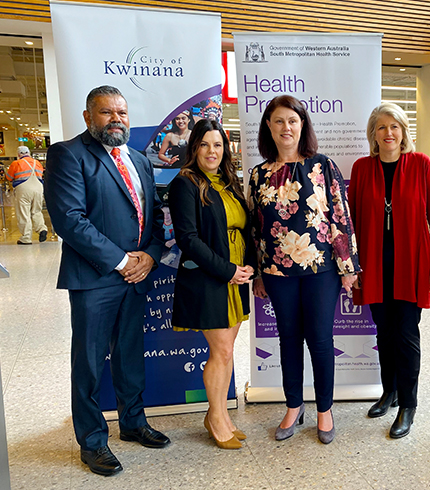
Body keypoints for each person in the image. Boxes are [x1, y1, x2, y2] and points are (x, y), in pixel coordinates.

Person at [44, 85, 170, 476]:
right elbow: (70, 219)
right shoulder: (68, 155)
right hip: (95, 279)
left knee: (130, 354)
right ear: (88, 117)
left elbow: (153, 217)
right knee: (89, 362)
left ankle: (132, 423)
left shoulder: (139, 159)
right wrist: (121, 261)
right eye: (106, 112)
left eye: (122, 113)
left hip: (137, 275)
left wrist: (149, 255)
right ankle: (93, 440)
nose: (116, 119)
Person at [249, 95, 360, 445]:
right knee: (288, 340)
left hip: (321, 271)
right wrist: (259, 275)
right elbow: (255, 228)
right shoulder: (258, 175)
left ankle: (325, 410)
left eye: (292, 121)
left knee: (321, 340)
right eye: (279, 121)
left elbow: (340, 217)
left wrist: (348, 268)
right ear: (269, 126)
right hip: (277, 274)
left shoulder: (322, 166)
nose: (286, 127)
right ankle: (294, 406)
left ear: (302, 125)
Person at [348, 102, 430, 438]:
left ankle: (408, 403)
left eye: (394, 127)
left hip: (411, 264)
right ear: (373, 135)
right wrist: (352, 265)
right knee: (383, 333)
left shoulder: (420, 164)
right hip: (374, 265)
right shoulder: (362, 168)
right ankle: (388, 392)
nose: (388, 133)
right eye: (381, 127)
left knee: (406, 334)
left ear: (403, 132)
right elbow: (352, 221)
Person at [168, 119, 256, 450]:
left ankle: (218, 415)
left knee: (226, 351)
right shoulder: (185, 184)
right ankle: (217, 419)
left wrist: (247, 269)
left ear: (225, 149)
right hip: (210, 277)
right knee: (220, 351)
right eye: (204, 144)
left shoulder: (229, 183)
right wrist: (227, 270)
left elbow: (244, 229)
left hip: (235, 276)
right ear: (194, 148)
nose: (211, 151)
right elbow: (187, 239)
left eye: (217, 144)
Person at [5, 145, 48, 245]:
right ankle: (42, 229)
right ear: (29, 153)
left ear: (19, 154)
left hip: (23, 189)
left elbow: (9, 177)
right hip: (38, 188)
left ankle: (26, 238)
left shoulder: (16, 163)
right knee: (37, 211)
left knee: (24, 213)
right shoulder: (37, 163)